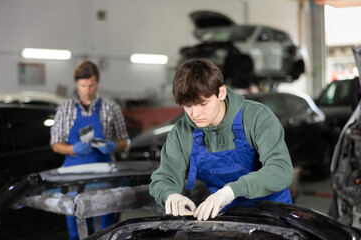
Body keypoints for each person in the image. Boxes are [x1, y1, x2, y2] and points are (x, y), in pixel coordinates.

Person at [149, 59, 293, 221]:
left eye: (202, 104)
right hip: (227, 216)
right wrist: (170, 194)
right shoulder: (181, 132)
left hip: (273, 211)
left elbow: (281, 170)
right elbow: (163, 178)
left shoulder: (257, 117)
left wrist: (230, 191)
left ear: (221, 93)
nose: (195, 114)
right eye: (188, 106)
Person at [50, 60, 128, 240]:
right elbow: (55, 144)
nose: (87, 90)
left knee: (106, 229)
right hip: (73, 178)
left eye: (91, 85)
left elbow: (124, 140)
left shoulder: (111, 108)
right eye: (83, 85)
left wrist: (114, 146)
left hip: (104, 177)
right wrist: (71, 148)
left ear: (97, 83)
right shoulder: (64, 110)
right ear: (77, 84)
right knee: (76, 224)